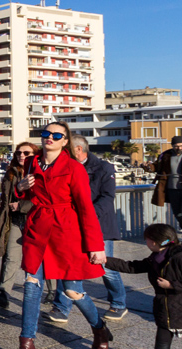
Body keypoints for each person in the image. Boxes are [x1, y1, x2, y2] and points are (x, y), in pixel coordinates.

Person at [8, 121, 111, 349]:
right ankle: (26, 346)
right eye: (46, 133)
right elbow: (29, 194)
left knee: (72, 292)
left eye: (56, 135)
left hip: (66, 232)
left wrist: (96, 246)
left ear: (65, 141)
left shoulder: (74, 168)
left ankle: (99, 329)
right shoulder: (32, 162)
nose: (49, 138)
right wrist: (20, 189)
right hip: (38, 228)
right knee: (32, 284)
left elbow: (86, 208)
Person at [45, 135, 130, 324]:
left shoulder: (104, 168)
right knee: (67, 265)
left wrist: (88, 215)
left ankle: (118, 303)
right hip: (71, 225)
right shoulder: (64, 166)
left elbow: (107, 198)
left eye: (68, 150)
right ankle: (61, 308)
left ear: (78, 150)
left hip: (98, 224)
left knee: (104, 265)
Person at [0, 142, 38, 309]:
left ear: (35, 155)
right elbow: (6, 199)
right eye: (18, 153)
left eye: (26, 153)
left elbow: (43, 201)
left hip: (35, 222)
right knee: (11, 257)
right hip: (14, 221)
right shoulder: (10, 174)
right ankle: (4, 293)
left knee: (40, 258)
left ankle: (51, 293)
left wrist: (21, 206)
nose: (21, 156)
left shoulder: (39, 173)